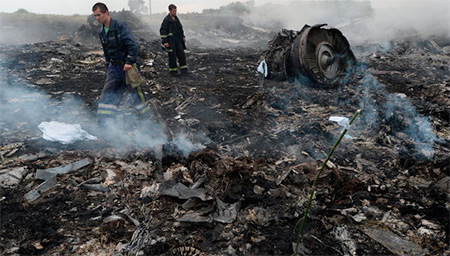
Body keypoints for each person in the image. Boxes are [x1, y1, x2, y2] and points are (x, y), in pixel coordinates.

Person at [92, 2, 149, 124]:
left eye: (99, 15)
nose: (97, 18)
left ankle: (147, 120)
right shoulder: (101, 31)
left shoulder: (119, 26)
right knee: (108, 93)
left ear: (106, 12)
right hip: (114, 67)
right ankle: (104, 123)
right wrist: (108, 66)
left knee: (137, 95)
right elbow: (106, 51)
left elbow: (132, 45)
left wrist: (129, 62)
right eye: (95, 16)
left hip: (127, 67)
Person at [160, 4, 188, 76]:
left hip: (178, 40)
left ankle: (184, 70)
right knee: (172, 56)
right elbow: (163, 31)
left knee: (181, 54)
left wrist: (183, 37)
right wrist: (165, 41)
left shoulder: (176, 19)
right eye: (174, 11)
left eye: (176, 11)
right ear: (170, 10)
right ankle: (173, 71)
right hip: (171, 41)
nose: (175, 12)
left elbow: (180, 29)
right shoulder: (166, 20)